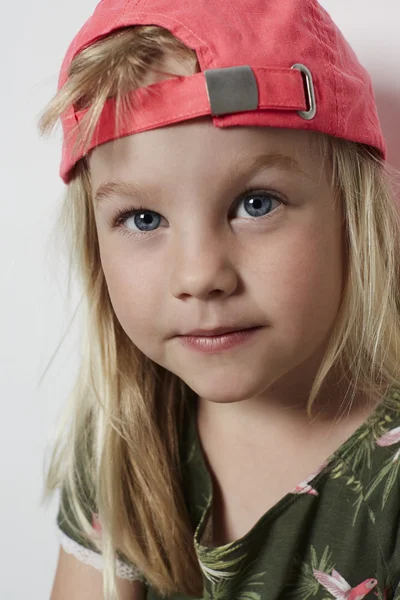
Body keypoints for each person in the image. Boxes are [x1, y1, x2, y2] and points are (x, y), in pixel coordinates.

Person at [38, 0, 400, 599]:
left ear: (350, 215)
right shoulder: (122, 436)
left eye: (256, 203)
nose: (201, 274)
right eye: (144, 217)